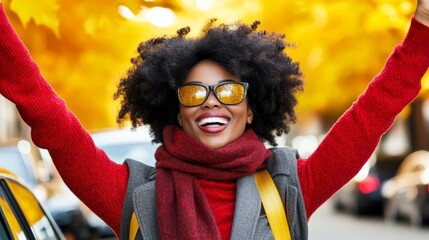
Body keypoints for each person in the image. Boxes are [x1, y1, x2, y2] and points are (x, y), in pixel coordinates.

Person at [1, 0, 429, 239]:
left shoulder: (290, 186)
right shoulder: (132, 196)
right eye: (194, 93)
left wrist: (423, 31)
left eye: (228, 91)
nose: (211, 104)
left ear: (252, 108)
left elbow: (372, 115)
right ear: (178, 111)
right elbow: (46, 113)